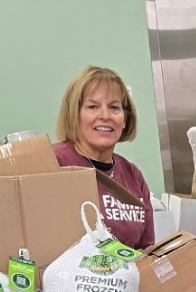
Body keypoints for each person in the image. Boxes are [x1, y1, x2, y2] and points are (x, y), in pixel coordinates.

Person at [54, 66, 155, 250]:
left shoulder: (133, 176)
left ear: (125, 119)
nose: (105, 116)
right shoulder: (53, 163)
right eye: (93, 107)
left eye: (114, 108)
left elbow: (146, 251)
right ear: (74, 114)